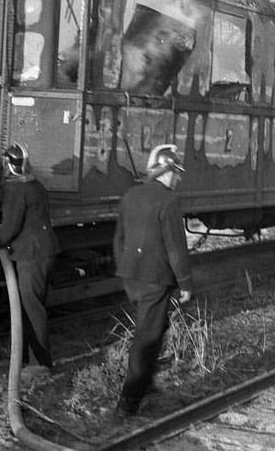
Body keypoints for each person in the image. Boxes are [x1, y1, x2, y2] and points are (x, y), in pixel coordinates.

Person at [113, 144, 195, 418]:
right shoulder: (168, 201)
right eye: (176, 173)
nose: (179, 178)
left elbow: (119, 239)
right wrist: (185, 283)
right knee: (147, 336)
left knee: (156, 326)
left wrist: (125, 268)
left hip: (132, 275)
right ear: (167, 170)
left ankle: (146, 383)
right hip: (155, 278)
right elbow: (175, 247)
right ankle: (128, 402)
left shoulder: (131, 195)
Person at [0, 142, 60, 380]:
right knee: (32, 306)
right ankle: (27, 359)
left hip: (31, 255)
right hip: (42, 252)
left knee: (32, 308)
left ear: (8, 165)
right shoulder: (36, 185)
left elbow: (10, 228)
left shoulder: (15, 190)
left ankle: (40, 363)